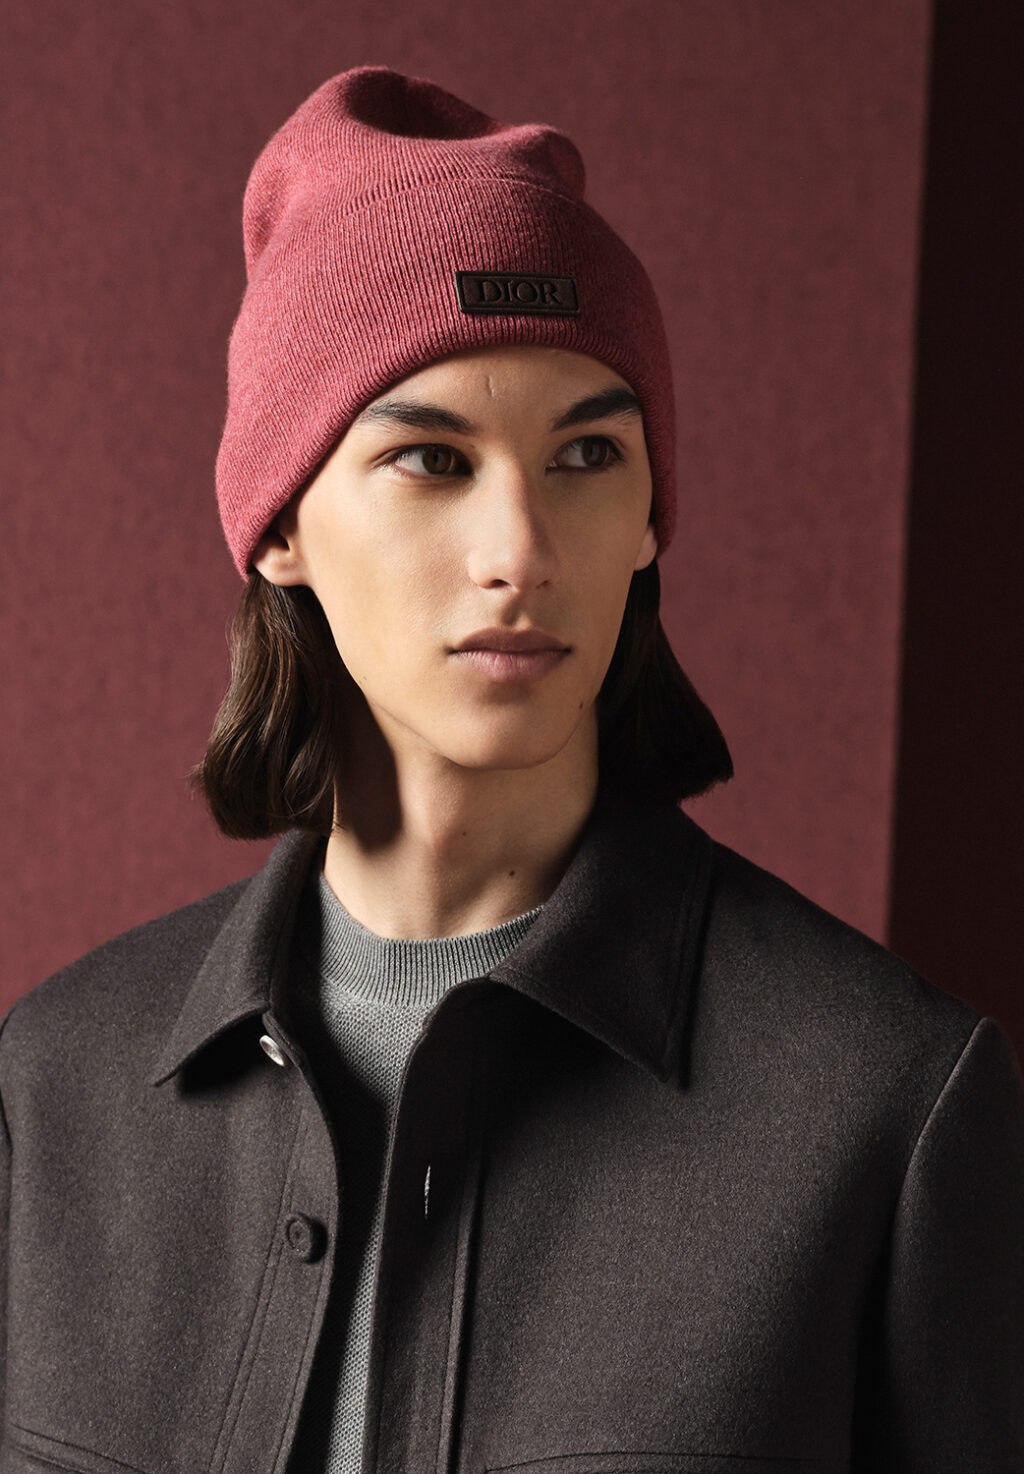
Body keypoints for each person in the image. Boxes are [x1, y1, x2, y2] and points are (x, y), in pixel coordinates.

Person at [1, 64, 1021, 1474]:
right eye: (432, 459)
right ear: (280, 525)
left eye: (588, 452)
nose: (522, 551)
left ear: (650, 518)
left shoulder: (888, 1108)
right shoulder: (52, 1090)